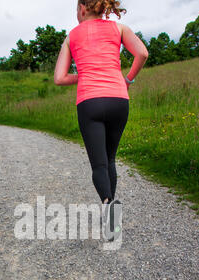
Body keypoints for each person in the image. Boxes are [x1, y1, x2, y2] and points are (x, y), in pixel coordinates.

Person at [54, 0, 149, 240]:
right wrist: (127, 79)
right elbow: (142, 53)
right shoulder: (119, 29)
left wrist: (85, 74)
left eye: (76, 9)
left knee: (99, 165)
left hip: (90, 102)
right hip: (119, 99)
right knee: (110, 159)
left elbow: (59, 78)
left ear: (83, 9)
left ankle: (108, 203)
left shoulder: (71, 36)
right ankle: (111, 224)